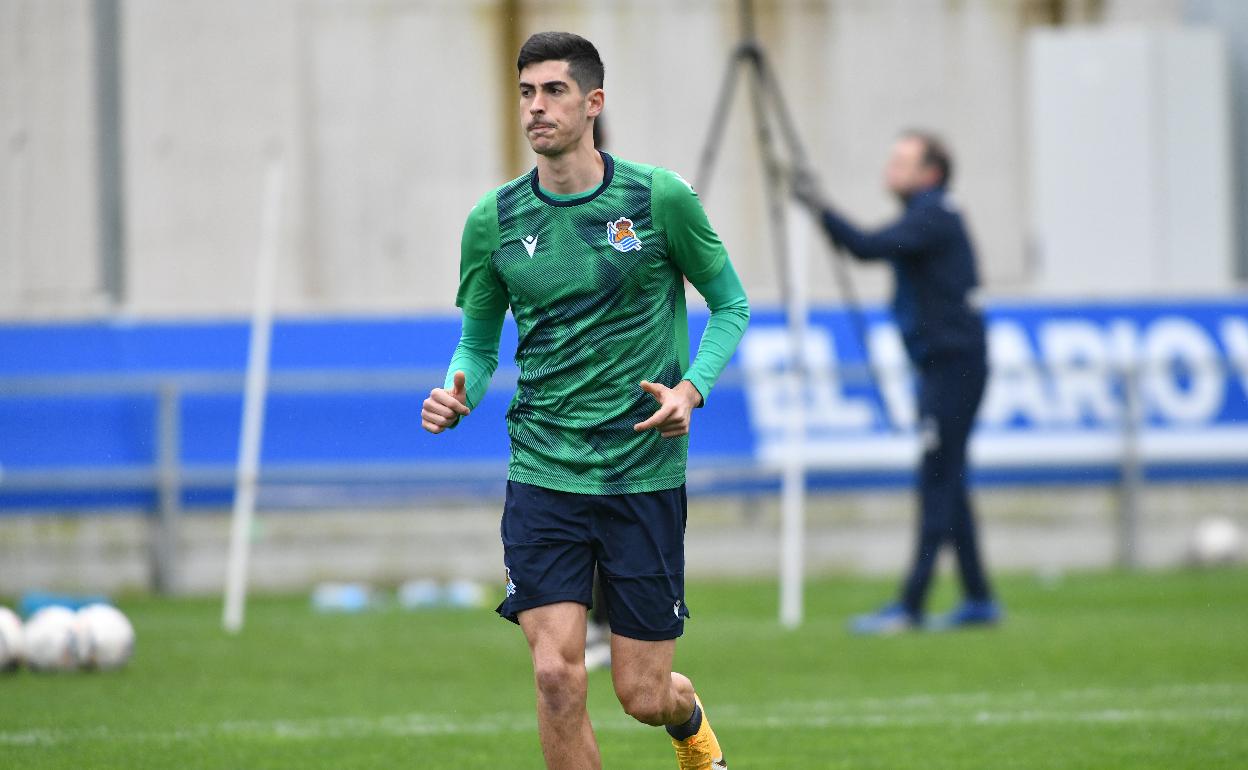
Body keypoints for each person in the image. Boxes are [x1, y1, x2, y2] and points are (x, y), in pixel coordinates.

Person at [422, 31, 747, 769]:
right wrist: (456, 389)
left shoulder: (657, 198)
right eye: (527, 92)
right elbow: (476, 343)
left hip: (643, 471)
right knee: (555, 675)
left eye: (554, 91)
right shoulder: (494, 221)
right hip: (544, 468)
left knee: (641, 692)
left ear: (593, 102)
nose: (537, 107)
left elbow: (730, 305)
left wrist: (692, 389)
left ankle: (689, 724)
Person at [792, 131, 1002, 635]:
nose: (892, 169)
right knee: (948, 476)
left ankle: (911, 605)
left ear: (930, 173)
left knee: (937, 478)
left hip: (953, 365)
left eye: (903, 162)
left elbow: (867, 247)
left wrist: (819, 207)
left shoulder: (931, 216)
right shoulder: (935, 213)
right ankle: (978, 597)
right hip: (949, 363)